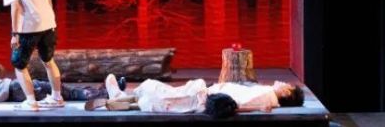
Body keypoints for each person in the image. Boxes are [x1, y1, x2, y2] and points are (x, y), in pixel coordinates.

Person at [2, 0, 64, 111]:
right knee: (48, 60)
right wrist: (51, 20)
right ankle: (57, 97)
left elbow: (15, 7)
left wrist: (14, 34)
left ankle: (31, 101)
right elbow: (48, 0)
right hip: (48, 23)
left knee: (19, 65)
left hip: (28, 28)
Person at [90, 74, 305, 113]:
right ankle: (122, 99)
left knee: (159, 93)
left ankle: (120, 98)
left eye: (286, 85)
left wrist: (258, 108)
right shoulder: (268, 92)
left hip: (202, 98)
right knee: (160, 92)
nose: (282, 82)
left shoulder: (267, 98)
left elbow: (237, 105)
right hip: (206, 93)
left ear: (287, 93)